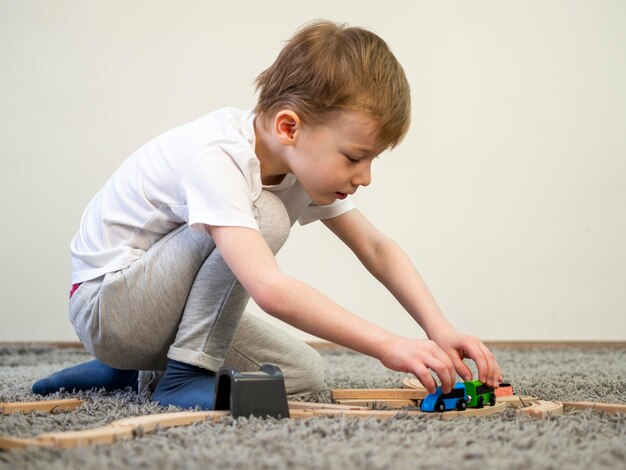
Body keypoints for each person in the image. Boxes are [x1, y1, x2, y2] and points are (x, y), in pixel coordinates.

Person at [33, 20, 502, 409]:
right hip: (108, 307)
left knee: (302, 374)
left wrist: (439, 330)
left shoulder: (301, 164)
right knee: (267, 217)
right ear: (289, 127)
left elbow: (376, 248)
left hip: (153, 316)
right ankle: (180, 375)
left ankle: (129, 371)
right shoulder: (220, 158)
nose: (365, 176)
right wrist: (389, 345)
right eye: (355, 157)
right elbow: (269, 289)